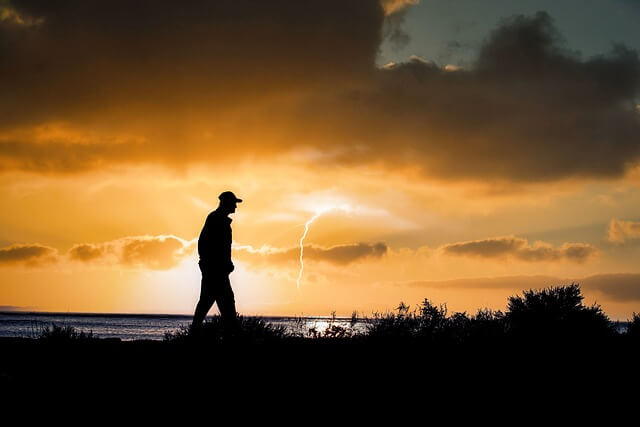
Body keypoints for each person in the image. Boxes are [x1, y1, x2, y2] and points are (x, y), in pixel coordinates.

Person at [191, 190, 242, 333]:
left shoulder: (219, 220)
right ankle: (232, 336)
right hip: (215, 271)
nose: (235, 207)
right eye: (233, 203)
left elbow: (221, 247)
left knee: (214, 303)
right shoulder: (216, 219)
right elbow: (207, 244)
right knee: (218, 303)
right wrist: (209, 265)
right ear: (226, 203)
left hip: (217, 270)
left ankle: (230, 335)